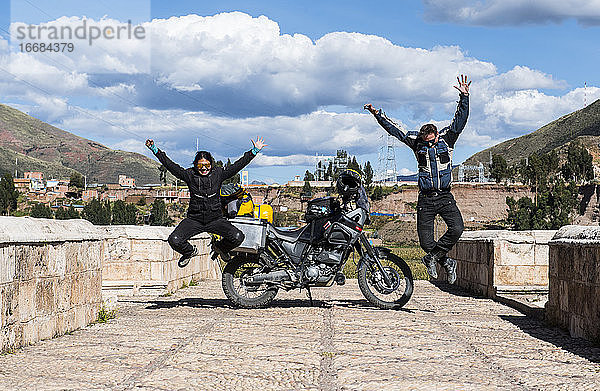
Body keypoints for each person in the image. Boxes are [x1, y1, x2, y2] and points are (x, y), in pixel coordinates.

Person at [364, 75, 471, 284]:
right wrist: (377, 114)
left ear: (436, 136)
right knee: (425, 241)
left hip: (445, 196)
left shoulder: (448, 138)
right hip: (426, 198)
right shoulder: (417, 143)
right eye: (425, 142)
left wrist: (464, 96)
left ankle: (433, 258)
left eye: (431, 141)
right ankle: (447, 263)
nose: (428, 145)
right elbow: (396, 130)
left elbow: (460, 120)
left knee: (457, 228)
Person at [145, 137, 267, 267]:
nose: (204, 169)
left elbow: (237, 166)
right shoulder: (189, 175)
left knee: (238, 237)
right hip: (194, 220)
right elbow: (170, 165)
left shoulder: (218, 174)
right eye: (200, 166)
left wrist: (254, 151)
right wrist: (154, 150)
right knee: (174, 240)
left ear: (211, 164)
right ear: (195, 165)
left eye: (207, 165)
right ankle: (189, 252)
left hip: (215, 220)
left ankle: (220, 248)